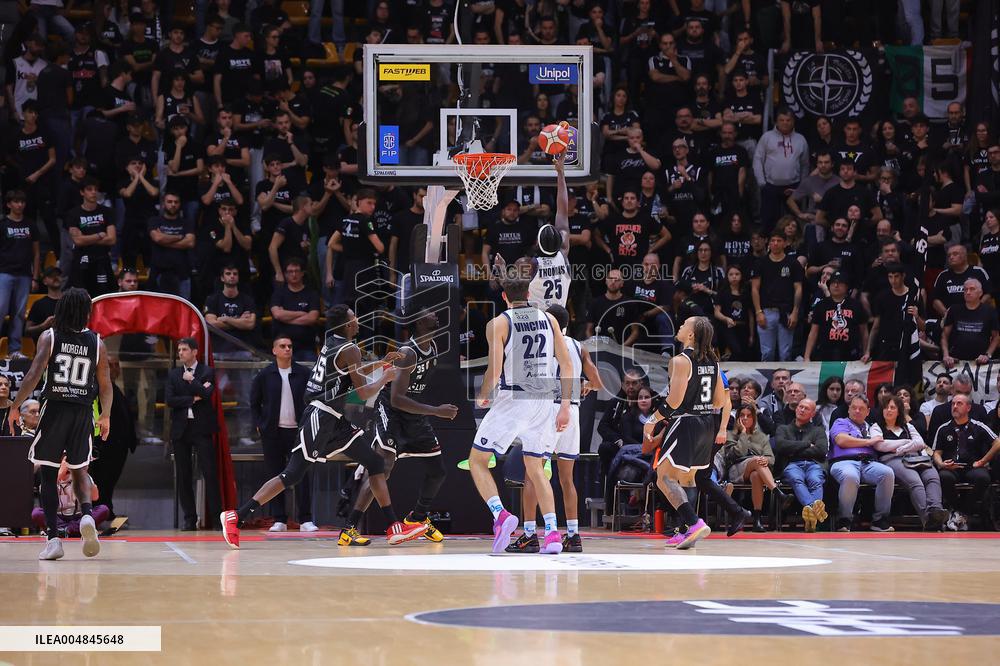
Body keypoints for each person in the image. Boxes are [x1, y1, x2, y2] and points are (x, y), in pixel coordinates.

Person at [221, 306, 427, 549]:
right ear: (348, 325)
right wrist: (384, 379)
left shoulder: (334, 341)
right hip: (321, 417)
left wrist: (381, 363)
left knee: (374, 462)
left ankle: (383, 527)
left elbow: (352, 373)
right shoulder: (350, 349)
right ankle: (237, 516)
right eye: (354, 318)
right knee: (292, 474)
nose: (358, 321)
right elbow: (361, 393)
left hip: (334, 418)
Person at [467, 262, 574, 555]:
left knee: (477, 461)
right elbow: (565, 365)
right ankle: (552, 534)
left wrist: (483, 395)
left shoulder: (498, 323)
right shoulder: (549, 319)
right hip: (544, 401)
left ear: (503, 296)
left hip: (514, 399)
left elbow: (495, 368)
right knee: (536, 467)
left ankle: (501, 515)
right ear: (529, 292)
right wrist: (564, 406)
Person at [9, 288, 113, 561]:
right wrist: (105, 416)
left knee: (47, 475)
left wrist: (15, 405)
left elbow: (33, 375)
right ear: (85, 312)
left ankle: (54, 539)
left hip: (54, 410)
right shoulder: (97, 342)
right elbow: (106, 385)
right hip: (82, 413)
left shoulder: (50, 336)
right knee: (80, 471)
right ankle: (88, 515)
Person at [339, 309, 459, 546]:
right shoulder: (407, 353)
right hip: (392, 412)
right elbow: (396, 399)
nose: (435, 315)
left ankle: (417, 518)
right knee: (382, 470)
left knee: (438, 470)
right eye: (429, 315)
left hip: (414, 416)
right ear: (418, 323)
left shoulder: (432, 347)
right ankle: (349, 528)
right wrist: (436, 411)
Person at [507, 304, 603, 554]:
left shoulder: (539, 343)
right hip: (571, 411)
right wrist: (584, 386)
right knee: (566, 479)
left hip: (547, 410)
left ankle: (529, 534)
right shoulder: (579, 347)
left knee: (532, 474)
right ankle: (573, 534)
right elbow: (597, 382)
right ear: (567, 323)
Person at [643, 316, 729, 549]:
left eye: (684, 325)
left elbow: (675, 400)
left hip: (686, 423)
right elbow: (720, 401)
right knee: (686, 479)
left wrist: (652, 420)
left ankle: (692, 523)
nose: (680, 326)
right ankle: (686, 531)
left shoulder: (681, 361)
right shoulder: (713, 362)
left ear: (690, 335)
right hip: (706, 423)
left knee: (663, 477)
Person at [249, 336, 316, 533]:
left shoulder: (303, 373)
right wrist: (260, 424)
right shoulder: (264, 375)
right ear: (274, 350)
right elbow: (254, 403)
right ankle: (279, 519)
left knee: (302, 475)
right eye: (283, 346)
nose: (287, 349)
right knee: (275, 475)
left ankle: (306, 519)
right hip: (273, 433)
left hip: (298, 432)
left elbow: (313, 399)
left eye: (290, 346)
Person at [166, 337, 221, 531]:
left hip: (202, 428)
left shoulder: (207, 371)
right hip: (181, 429)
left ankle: (216, 518)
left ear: (195, 351)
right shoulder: (173, 374)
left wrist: (193, 381)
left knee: (210, 473)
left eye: (184, 349)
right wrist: (193, 397)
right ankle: (190, 518)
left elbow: (207, 395)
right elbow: (170, 400)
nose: (180, 353)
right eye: (179, 350)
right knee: (183, 474)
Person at [871, 395, 949, 531]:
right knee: (915, 481)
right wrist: (907, 443)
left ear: (899, 411)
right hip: (891, 459)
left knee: (933, 476)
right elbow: (880, 445)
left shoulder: (907, 426)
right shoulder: (876, 427)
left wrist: (902, 448)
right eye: (885, 407)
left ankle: (935, 510)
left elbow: (920, 443)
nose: (888, 410)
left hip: (917, 458)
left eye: (892, 407)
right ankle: (928, 519)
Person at [931, 393, 1000, 530]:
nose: (955, 407)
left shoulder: (978, 426)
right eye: (953, 404)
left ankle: (962, 512)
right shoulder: (944, 428)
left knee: (983, 477)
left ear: (968, 407)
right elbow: (936, 453)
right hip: (951, 467)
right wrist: (941, 464)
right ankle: (958, 512)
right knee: (943, 476)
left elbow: (997, 443)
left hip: (972, 467)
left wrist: (982, 461)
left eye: (959, 404)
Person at [829, 395, 896, 532]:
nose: (857, 411)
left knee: (887, 473)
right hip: (843, 461)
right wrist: (868, 442)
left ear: (868, 412)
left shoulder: (872, 427)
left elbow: (882, 442)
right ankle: (844, 519)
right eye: (854, 408)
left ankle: (879, 520)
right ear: (849, 409)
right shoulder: (840, 422)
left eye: (861, 408)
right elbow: (841, 440)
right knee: (850, 476)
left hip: (868, 462)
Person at [723, 405, 791, 532]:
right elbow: (736, 454)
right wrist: (743, 433)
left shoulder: (761, 436)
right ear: (737, 418)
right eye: (742, 415)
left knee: (756, 475)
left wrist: (766, 460)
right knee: (756, 461)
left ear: (754, 419)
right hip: (736, 470)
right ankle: (778, 493)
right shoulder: (730, 434)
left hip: (758, 469)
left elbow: (771, 459)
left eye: (748, 416)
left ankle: (757, 520)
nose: (745, 418)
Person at [87, 356, 136, 520]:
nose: (115, 368)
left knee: (109, 481)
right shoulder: (97, 388)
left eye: (117, 365)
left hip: (119, 447)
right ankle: (101, 512)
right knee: (101, 481)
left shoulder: (116, 388)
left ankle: (107, 510)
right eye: (111, 365)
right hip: (103, 446)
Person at [774, 398, 829, 532]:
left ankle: (810, 514)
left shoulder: (818, 430)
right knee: (796, 479)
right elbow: (780, 446)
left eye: (807, 408)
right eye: (800, 407)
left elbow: (821, 450)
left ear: (813, 414)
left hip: (814, 464)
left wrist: (793, 449)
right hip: (792, 464)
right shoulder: (783, 429)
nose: (802, 410)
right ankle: (814, 511)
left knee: (816, 480)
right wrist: (806, 444)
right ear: (796, 408)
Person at [528, 154, 572, 309]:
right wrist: (561, 173)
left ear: (537, 244)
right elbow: (563, 211)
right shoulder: (563, 254)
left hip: (539, 325)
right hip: (561, 323)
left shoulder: (533, 264)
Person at [751, 231, 803, 361]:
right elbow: (754, 289)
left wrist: (795, 312)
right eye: (773, 240)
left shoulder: (793, 263)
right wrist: (758, 312)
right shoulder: (760, 263)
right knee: (767, 353)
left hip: (786, 312)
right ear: (769, 243)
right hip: (766, 311)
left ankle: (783, 380)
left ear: (785, 243)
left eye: (779, 241)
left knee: (785, 354)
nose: (775, 243)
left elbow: (798, 288)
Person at [0, 190, 41, 359]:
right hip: (4, 273)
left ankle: (14, 349)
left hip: (24, 274)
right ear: (9, 204)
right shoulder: (2, 225)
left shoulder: (31, 224)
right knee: (0, 310)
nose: (20, 205)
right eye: (16, 202)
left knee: (18, 313)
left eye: (22, 202)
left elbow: (37, 253)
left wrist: (35, 277)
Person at [940, 279, 999, 367]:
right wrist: (946, 355)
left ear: (980, 292)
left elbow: (996, 337)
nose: (968, 292)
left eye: (972, 289)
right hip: (956, 361)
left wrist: (987, 355)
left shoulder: (990, 311)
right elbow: (944, 336)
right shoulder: (954, 310)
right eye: (965, 289)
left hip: (980, 362)